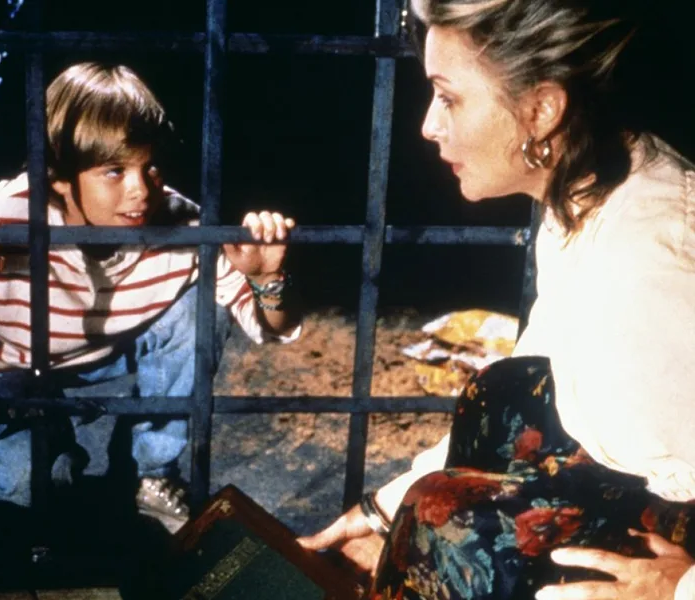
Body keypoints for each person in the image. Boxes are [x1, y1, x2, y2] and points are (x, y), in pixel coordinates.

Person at [297, 1, 695, 598]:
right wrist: (386, 512)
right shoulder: (589, 197)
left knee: (448, 529)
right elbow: (545, 383)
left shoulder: (652, 261)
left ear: (540, 110)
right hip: (629, 506)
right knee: (503, 396)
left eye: (449, 98)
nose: (428, 126)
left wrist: (680, 587)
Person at [0, 62, 302, 534]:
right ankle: (52, 462)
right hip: (15, 364)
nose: (141, 190)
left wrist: (267, 277)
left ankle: (151, 472)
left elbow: (268, 329)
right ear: (59, 176)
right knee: (33, 492)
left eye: (151, 166)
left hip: (112, 348)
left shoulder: (180, 222)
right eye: (114, 171)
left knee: (203, 309)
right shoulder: (5, 220)